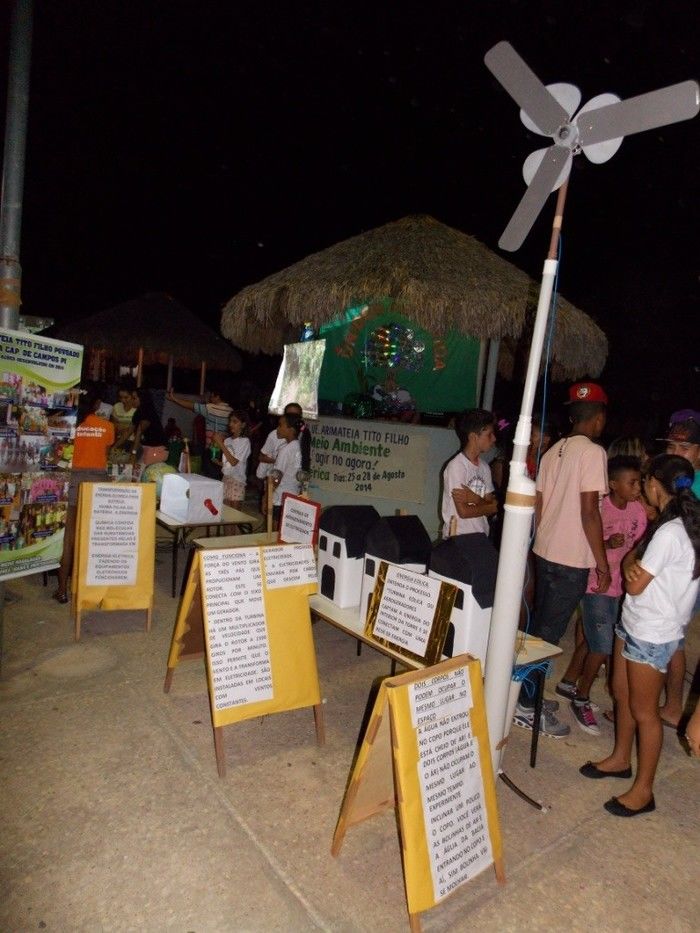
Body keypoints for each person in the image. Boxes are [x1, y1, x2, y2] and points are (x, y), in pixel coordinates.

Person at [580, 455, 700, 816]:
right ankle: (621, 759)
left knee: (645, 712)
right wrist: (632, 562)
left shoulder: (671, 531)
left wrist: (632, 563)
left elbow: (633, 583)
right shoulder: (670, 522)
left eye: (645, 480)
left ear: (654, 485)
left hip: (651, 632)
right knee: (621, 693)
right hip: (635, 622)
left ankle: (644, 791)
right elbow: (632, 560)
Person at [513, 382, 610, 738]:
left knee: (540, 627)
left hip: (545, 550)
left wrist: (543, 537)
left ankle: (527, 694)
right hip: (570, 559)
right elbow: (589, 511)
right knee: (548, 636)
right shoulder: (593, 453)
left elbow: (539, 504)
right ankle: (526, 706)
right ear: (598, 418)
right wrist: (602, 563)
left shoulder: (553, 450)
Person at [556, 456, 647, 734]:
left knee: (595, 639)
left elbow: (640, 544)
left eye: (639, 482)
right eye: (632, 483)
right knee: (603, 646)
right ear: (613, 484)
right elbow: (582, 541)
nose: (638, 488)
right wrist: (606, 543)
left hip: (621, 585)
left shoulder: (637, 510)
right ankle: (581, 697)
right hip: (595, 584)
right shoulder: (599, 509)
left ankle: (568, 682)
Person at [655, 411, 700, 729]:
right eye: (671, 446)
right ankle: (667, 705)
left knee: (671, 639)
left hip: (688, 575)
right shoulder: (671, 476)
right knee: (671, 639)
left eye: (684, 448)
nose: (676, 453)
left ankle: (668, 706)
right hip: (671, 569)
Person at [55, 390, 115, 603]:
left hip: (73, 479)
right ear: (97, 404)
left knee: (69, 537)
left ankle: (62, 590)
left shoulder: (68, 426)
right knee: (94, 537)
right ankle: (90, 592)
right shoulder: (107, 426)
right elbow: (106, 451)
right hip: (97, 484)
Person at [441, 408, 498, 538]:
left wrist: (475, 499)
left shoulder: (484, 467)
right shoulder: (457, 466)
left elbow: (493, 509)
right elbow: (464, 512)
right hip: (458, 536)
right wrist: (486, 505)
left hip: (481, 536)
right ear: (473, 437)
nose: (494, 439)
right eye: (489, 434)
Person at [167, 383, 232, 478]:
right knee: (221, 477)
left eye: (212, 396)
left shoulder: (211, 408)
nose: (210, 398)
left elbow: (191, 406)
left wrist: (174, 398)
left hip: (212, 451)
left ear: (217, 396)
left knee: (210, 477)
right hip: (226, 451)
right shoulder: (231, 411)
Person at [211, 411, 251, 509]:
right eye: (230, 421)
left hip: (237, 480)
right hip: (226, 478)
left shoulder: (244, 441)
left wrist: (220, 443)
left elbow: (234, 462)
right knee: (226, 513)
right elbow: (228, 463)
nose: (230, 424)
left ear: (243, 425)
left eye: (235, 422)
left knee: (234, 514)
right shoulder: (227, 440)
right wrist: (218, 462)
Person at [270, 413, 302, 527]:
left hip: (280, 498)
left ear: (291, 429)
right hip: (292, 497)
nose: (277, 429)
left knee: (275, 532)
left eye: (280, 425)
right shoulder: (298, 447)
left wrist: (267, 496)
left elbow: (277, 477)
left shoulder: (286, 450)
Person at [131, 388, 166, 462]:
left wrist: (133, 453)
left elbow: (139, 433)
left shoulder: (148, 412)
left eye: (134, 398)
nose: (131, 400)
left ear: (142, 399)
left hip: (155, 448)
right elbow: (130, 430)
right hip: (146, 446)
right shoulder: (138, 411)